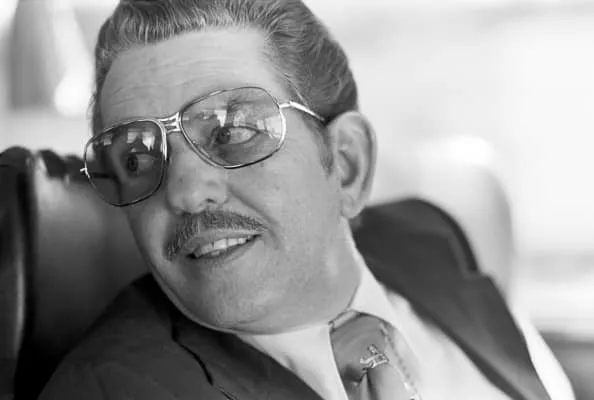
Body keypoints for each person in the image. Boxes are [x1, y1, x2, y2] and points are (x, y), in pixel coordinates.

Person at [39, 1, 573, 399]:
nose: (186, 191)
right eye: (136, 159)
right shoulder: (112, 389)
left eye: (232, 130)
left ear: (346, 163)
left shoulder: (435, 238)